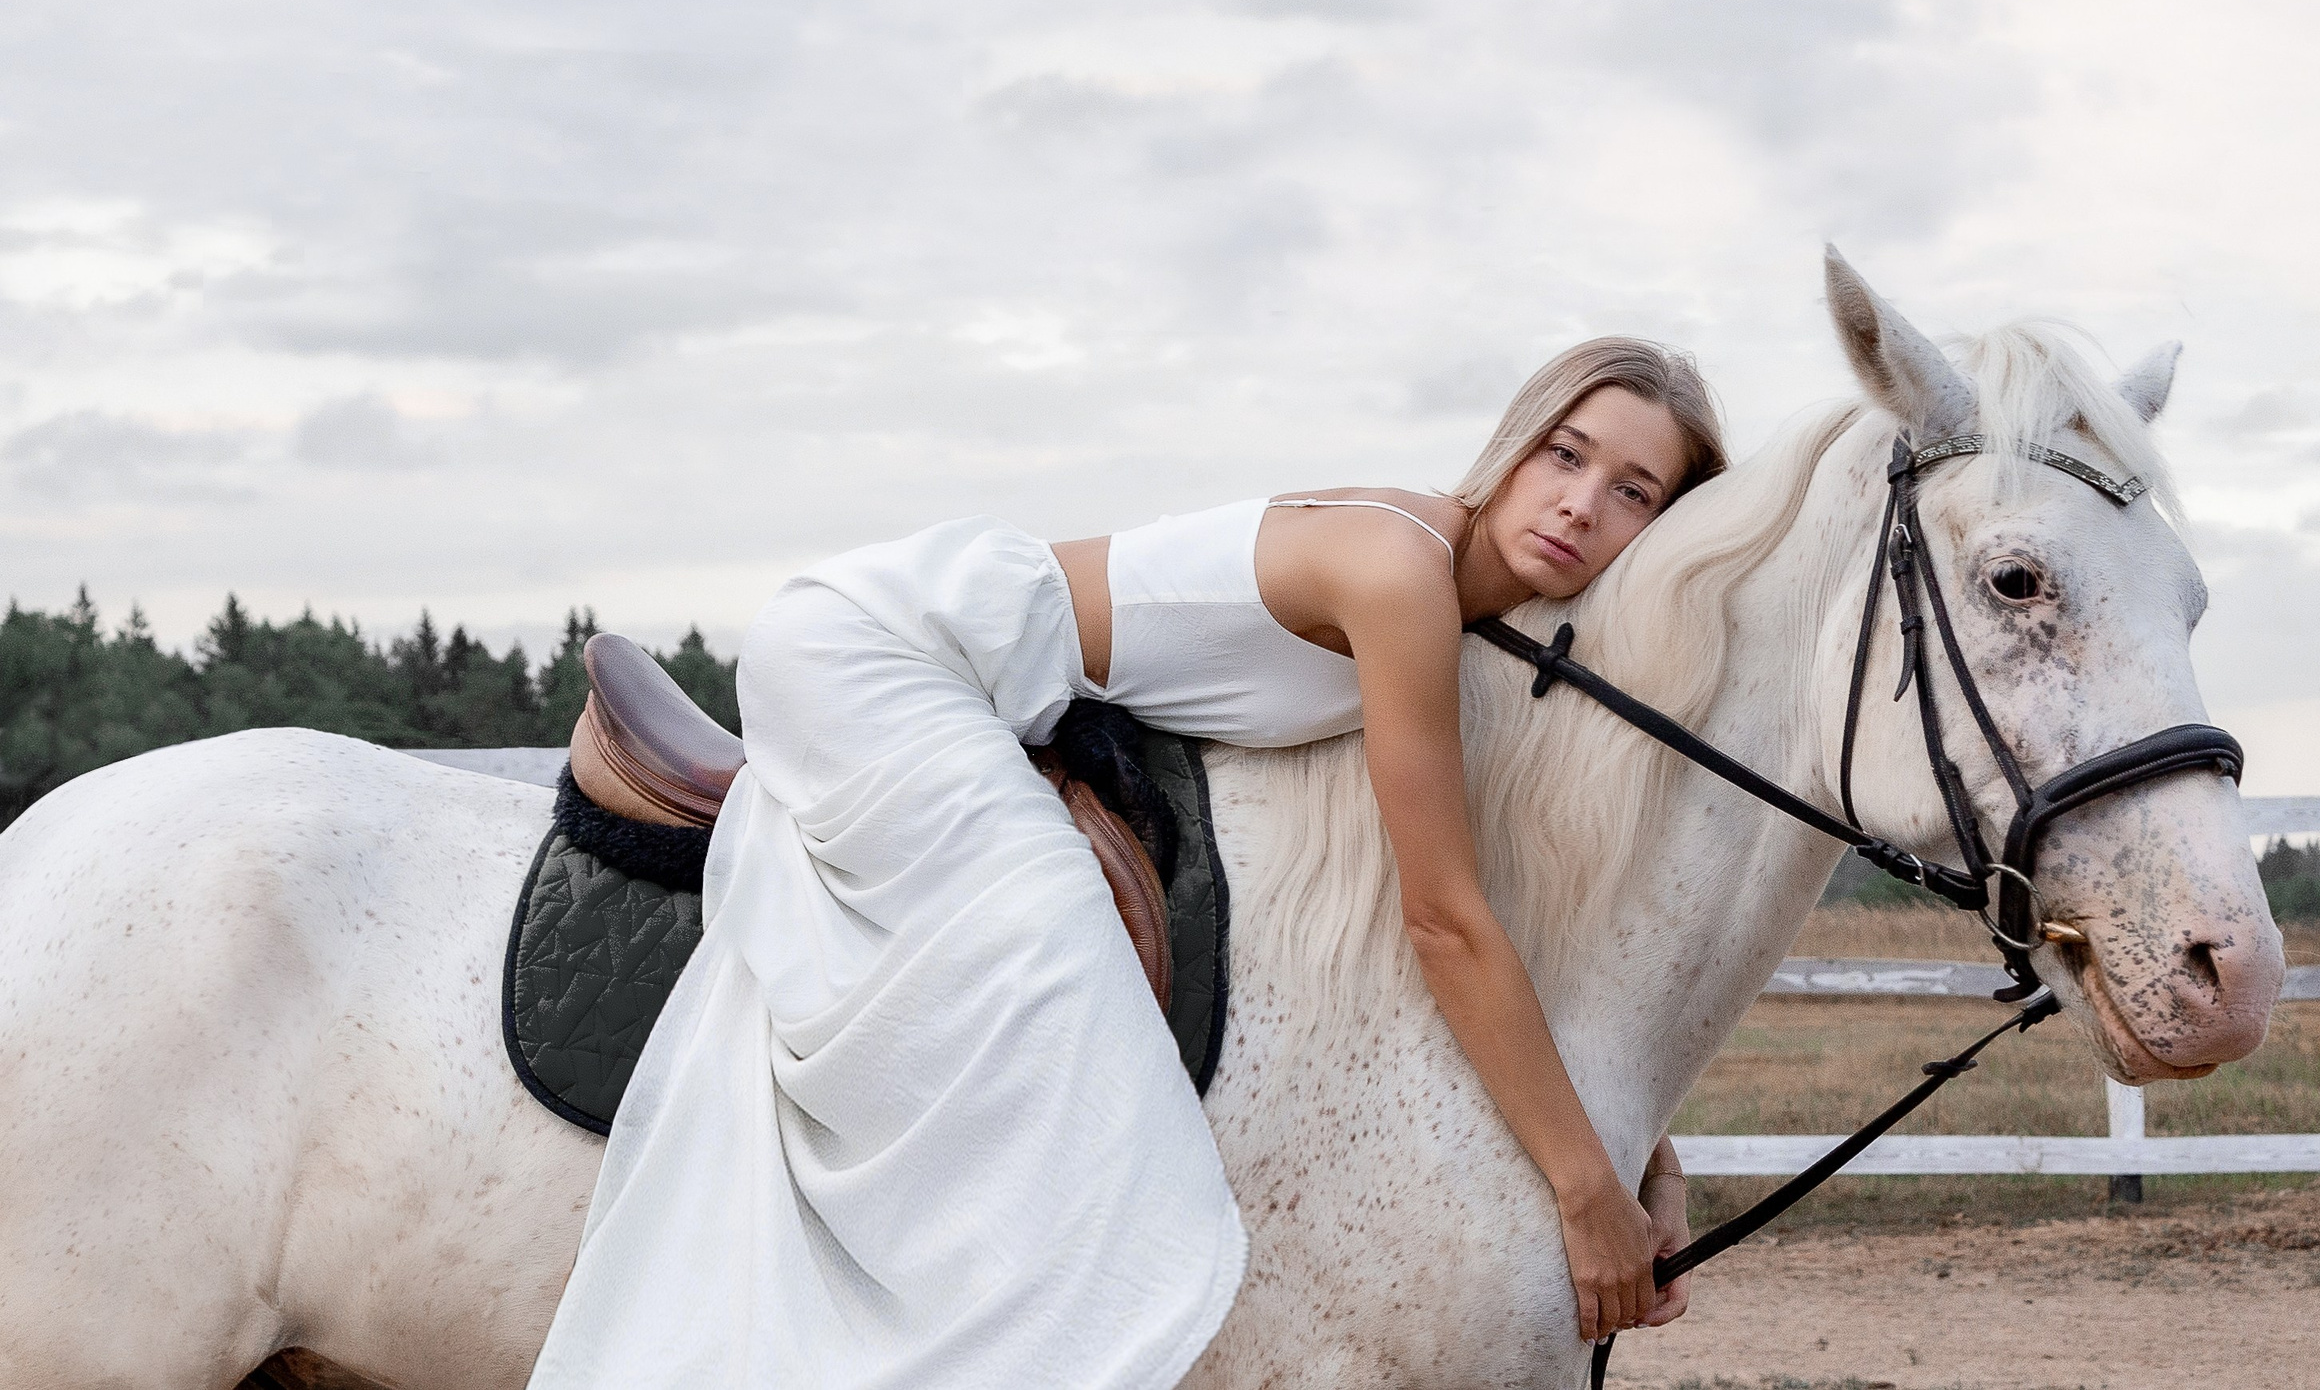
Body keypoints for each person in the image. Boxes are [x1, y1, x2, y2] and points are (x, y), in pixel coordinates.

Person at [527, 337, 1726, 1389]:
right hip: (883, 653)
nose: (1580, 504)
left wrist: (1638, 1156)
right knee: (1058, 968)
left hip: (973, 680)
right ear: (1515, 446)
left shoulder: (1464, 615)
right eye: (1564, 455)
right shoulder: (1398, 572)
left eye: (1631, 491)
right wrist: (1583, 1192)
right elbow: (1446, 922)